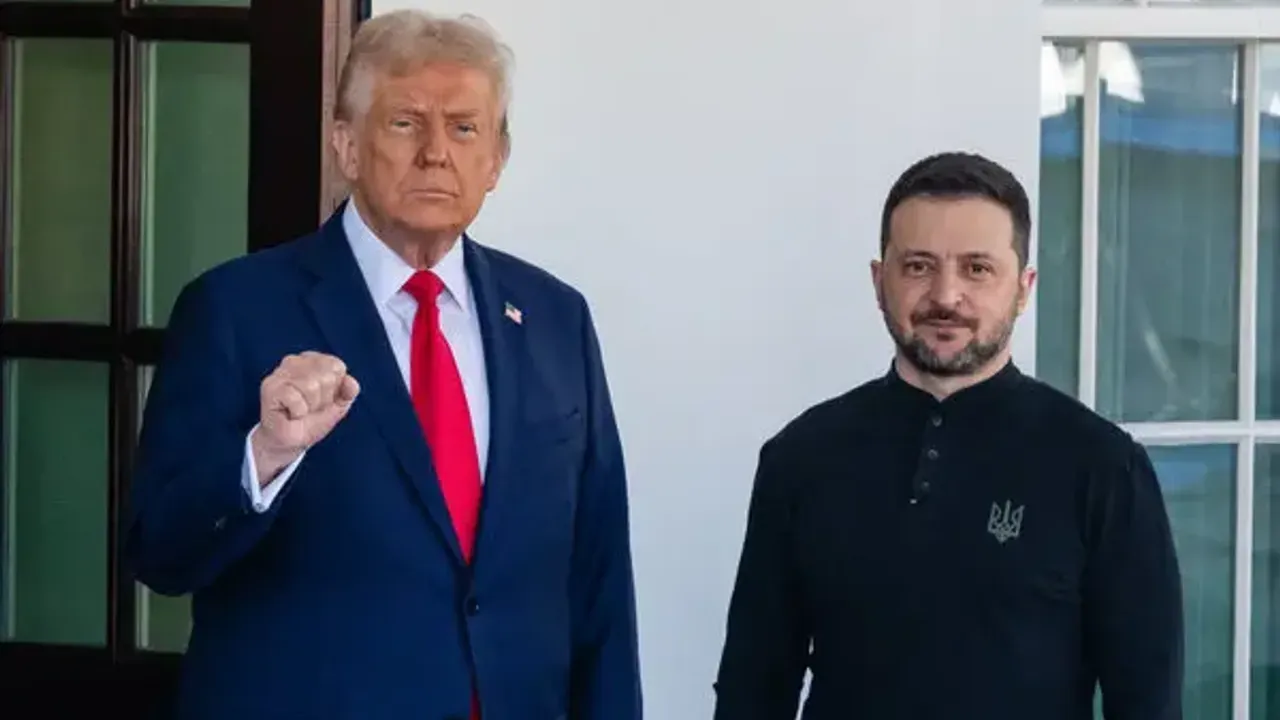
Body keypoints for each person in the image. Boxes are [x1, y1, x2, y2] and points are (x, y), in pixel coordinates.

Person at [126, 10, 641, 720]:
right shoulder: (236, 309)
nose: (436, 153)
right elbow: (159, 550)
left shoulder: (555, 318)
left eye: (464, 128)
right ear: (346, 145)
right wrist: (265, 454)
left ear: (496, 159)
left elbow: (600, 575)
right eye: (405, 123)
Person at [712, 151, 1184, 720]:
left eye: (977, 269)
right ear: (879, 281)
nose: (945, 295)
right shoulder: (800, 457)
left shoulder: (1103, 466)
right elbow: (752, 689)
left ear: (1024, 287)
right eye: (918, 266)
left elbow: (1148, 701)